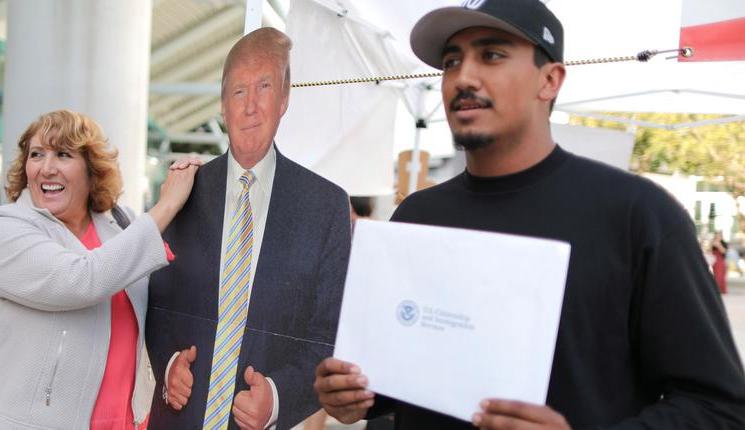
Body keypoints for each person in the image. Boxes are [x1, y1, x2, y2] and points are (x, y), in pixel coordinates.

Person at [314, 1, 745, 429]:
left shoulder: (639, 215)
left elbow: (719, 407)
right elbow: (408, 365)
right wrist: (357, 394)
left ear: (550, 80)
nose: (463, 77)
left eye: (492, 55)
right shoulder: (419, 213)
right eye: (451, 61)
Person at [145, 27, 351, 430]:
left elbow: (330, 333)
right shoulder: (183, 192)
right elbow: (154, 302)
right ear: (223, 105)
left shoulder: (325, 206)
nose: (251, 106)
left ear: (285, 99)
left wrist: (277, 398)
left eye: (265, 87)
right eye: (238, 91)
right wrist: (168, 364)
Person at [0, 109, 200, 429]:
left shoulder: (123, 225)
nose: (47, 168)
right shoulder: (1, 229)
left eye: (63, 154)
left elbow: (157, 312)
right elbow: (82, 279)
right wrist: (168, 205)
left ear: (92, 170)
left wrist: (171, 363)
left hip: (126, 422)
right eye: (37, 154)